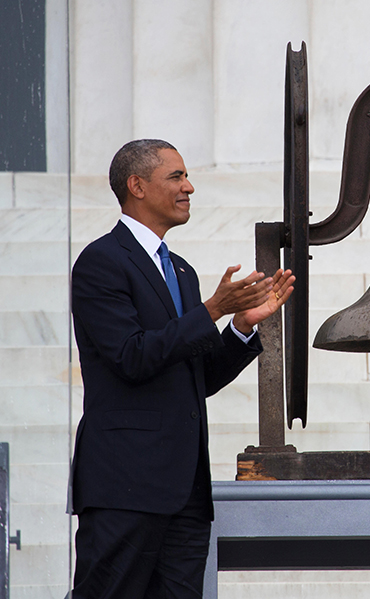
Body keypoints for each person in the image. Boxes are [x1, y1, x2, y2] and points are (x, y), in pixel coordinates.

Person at [68, 139, 295, 597]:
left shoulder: (182, 271)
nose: (189, 186)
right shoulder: (101, 262)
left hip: (186, 493)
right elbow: (132, 357)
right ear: (137, 186)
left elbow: (196, 378)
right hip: (125, 488)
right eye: (176, 176)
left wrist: (241, 328)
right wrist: (211, 310)